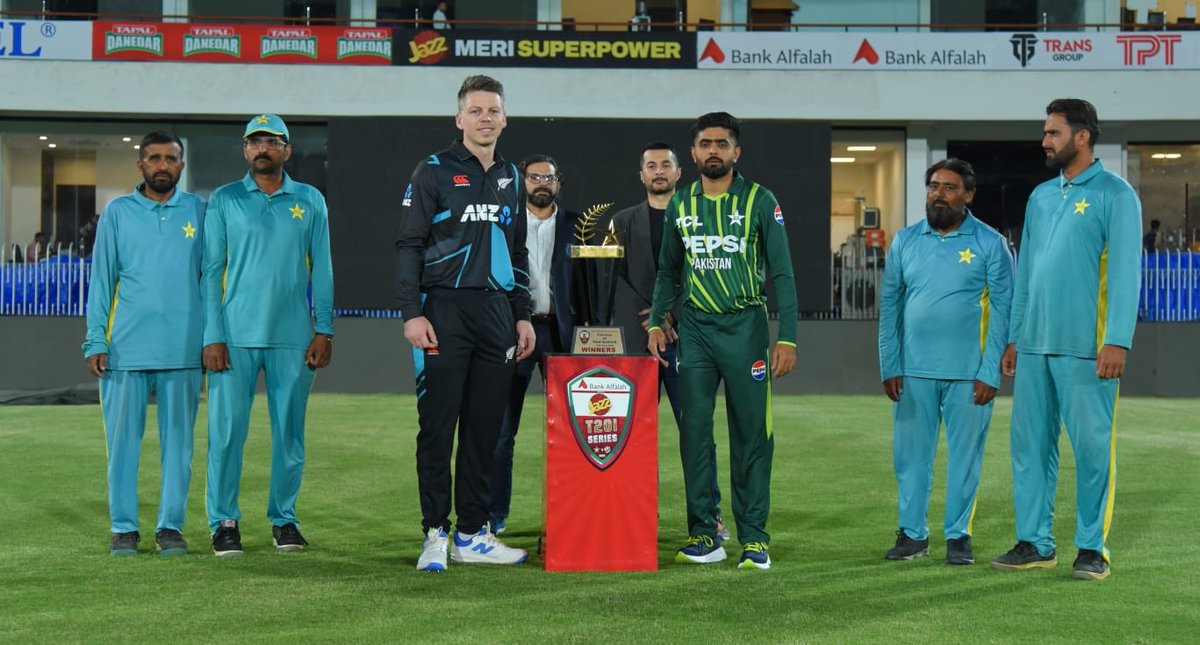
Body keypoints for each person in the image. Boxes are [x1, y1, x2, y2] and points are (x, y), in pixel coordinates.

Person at [991, 98, 1141, 581]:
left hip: (1088, 348)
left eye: (1053, 132)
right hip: (1034, 345)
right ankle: (1035, 542)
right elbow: (1027, 273)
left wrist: (1116, 339)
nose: (1044, 141)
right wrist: (1014, 337)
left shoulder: (1117, 196)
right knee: (1030, 448)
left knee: (1093, 449)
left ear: (1082, 136)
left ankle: (1092, 548)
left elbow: (1125, 274)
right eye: (1044, 132)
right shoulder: (1040, 196)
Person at [396, 74, 534, 572]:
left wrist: (522, 315)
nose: (485, 118)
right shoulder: (432, 170)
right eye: (475, 110)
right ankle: (435, 532)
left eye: (493, 110)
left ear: (504, 118)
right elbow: (409, 245)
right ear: (459, 119)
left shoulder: (512, 177)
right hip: (442, 312)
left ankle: (473, 533)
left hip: (497, 314)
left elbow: (517, 251)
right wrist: (412, 312)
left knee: (484, 429)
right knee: (437, 427)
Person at [648, 112, 797, 570]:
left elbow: (782, 272)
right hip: (695, 332)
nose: (714, 150)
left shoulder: (759, 200)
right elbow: (670, 269)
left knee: (752, 436)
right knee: (694, 434)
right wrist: (656, 320)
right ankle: (704, 534)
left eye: (723, 143)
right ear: (692, 154)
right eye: (705, 143)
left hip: (745, 330)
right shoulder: (682, 202)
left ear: (736, 152)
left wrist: (788, 336)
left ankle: (754, 539)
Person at [202, 114, 334, 557]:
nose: (264, 149)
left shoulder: (311, 199)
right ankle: (224, 522)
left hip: (294, 336)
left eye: (273, 142)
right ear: (245, 151)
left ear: (287, 150)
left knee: (290, 436)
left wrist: (325, 327)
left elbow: (325, 268)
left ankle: (285, 520)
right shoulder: (224, 200)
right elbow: (211, 272)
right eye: (255, 142)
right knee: (225, 435)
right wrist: (211, 335)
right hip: (234, 337)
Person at [878, 158, 1013, 566]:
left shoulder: (990, 243)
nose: (939, 194)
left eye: (949, 187)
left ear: (968, 195)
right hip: (913, 372)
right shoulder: (904, 241)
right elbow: (890, 307)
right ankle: (912, 535)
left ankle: (959, 536)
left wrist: (990, 371)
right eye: (933, 186)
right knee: (910, 459)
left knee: (966, 459)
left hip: (969, 374)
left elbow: (1004, 311)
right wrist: (890, 364)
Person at [81, 131, 206, 556]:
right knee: (122, 447)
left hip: (184, 349)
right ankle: (124, 529)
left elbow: (213, 280)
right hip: (124, 351)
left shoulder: (201, 211)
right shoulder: (117, 213)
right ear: (140, 165)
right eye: (154, 158)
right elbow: (101, 282)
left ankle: (170, 528)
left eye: (170, 158)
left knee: (179, 448)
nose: (162, 165)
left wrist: (212, 340)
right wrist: (95, 339)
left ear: (181, 166)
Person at [603, 141, 728, 540]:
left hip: (687, 339)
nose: (658, 171)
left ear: (679, 173)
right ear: (641, 176)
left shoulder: (700, 217)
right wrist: (651, 319)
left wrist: (669, 313)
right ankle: (639, 515)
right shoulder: (620, 222)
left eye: (666, 165)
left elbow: (705, 271)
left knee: (696, 432)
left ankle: (708, 518)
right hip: (638, 342)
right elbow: (612, 279)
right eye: (651, 165)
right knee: (634, 436)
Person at [487, 154, 590, 534]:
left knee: (571, 431)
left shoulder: (578, 226)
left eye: (548, 177)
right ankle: (494, 517)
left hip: (562, 334)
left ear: (559, 182)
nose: (541, 183)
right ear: (522, 181)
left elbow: (588, 284)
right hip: (512, 331)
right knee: (500, 431)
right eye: (534, 177)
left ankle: (570, 513)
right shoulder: (504, 221)